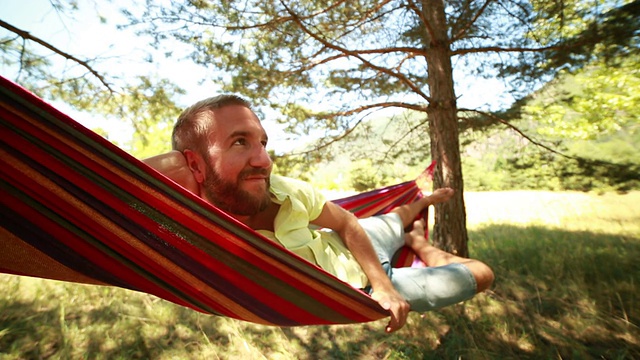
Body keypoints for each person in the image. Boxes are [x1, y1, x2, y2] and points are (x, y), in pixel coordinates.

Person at [143, 95, 494, 333]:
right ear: (194, 164)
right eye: (240, 142)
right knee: (482, 274)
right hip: (361, 289)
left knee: (397, 217)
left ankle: (422, 201)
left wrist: (386, 285)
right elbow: (112, 205)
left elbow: (345, 221)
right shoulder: (189, 231)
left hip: (359, 245)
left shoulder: (284, 188)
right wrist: (175, 165)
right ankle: (421, 244)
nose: (264, 160)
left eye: (263, 143)